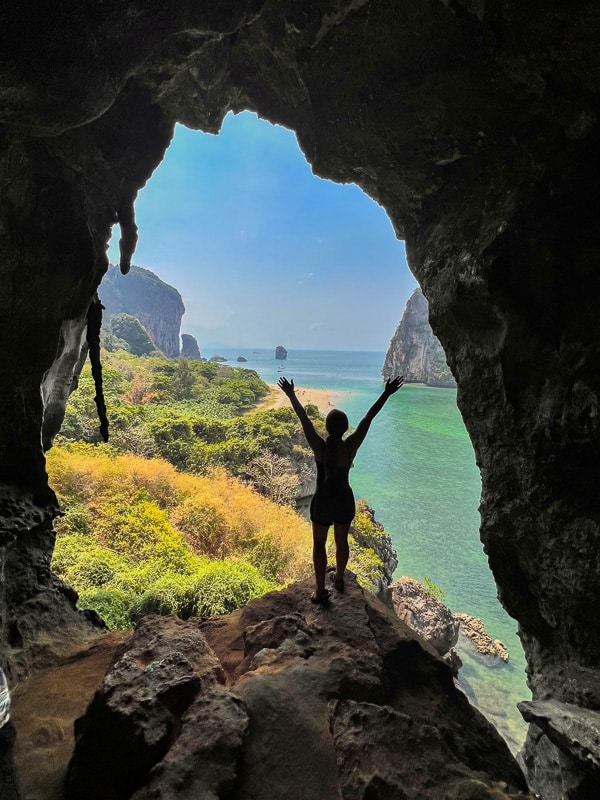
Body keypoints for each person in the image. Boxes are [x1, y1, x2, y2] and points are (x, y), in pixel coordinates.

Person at [278, 375, 404, 604]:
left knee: (319, 545)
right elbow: (368, 418)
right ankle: (338, 578)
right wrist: (386, 393)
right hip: (344, 499)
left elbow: (304, 419)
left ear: (326, 427)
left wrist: (291, 394)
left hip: (323, 500)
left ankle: (319, 589)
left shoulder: (319, 447)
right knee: (342, 542)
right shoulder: (351, 446)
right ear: (346, 428)